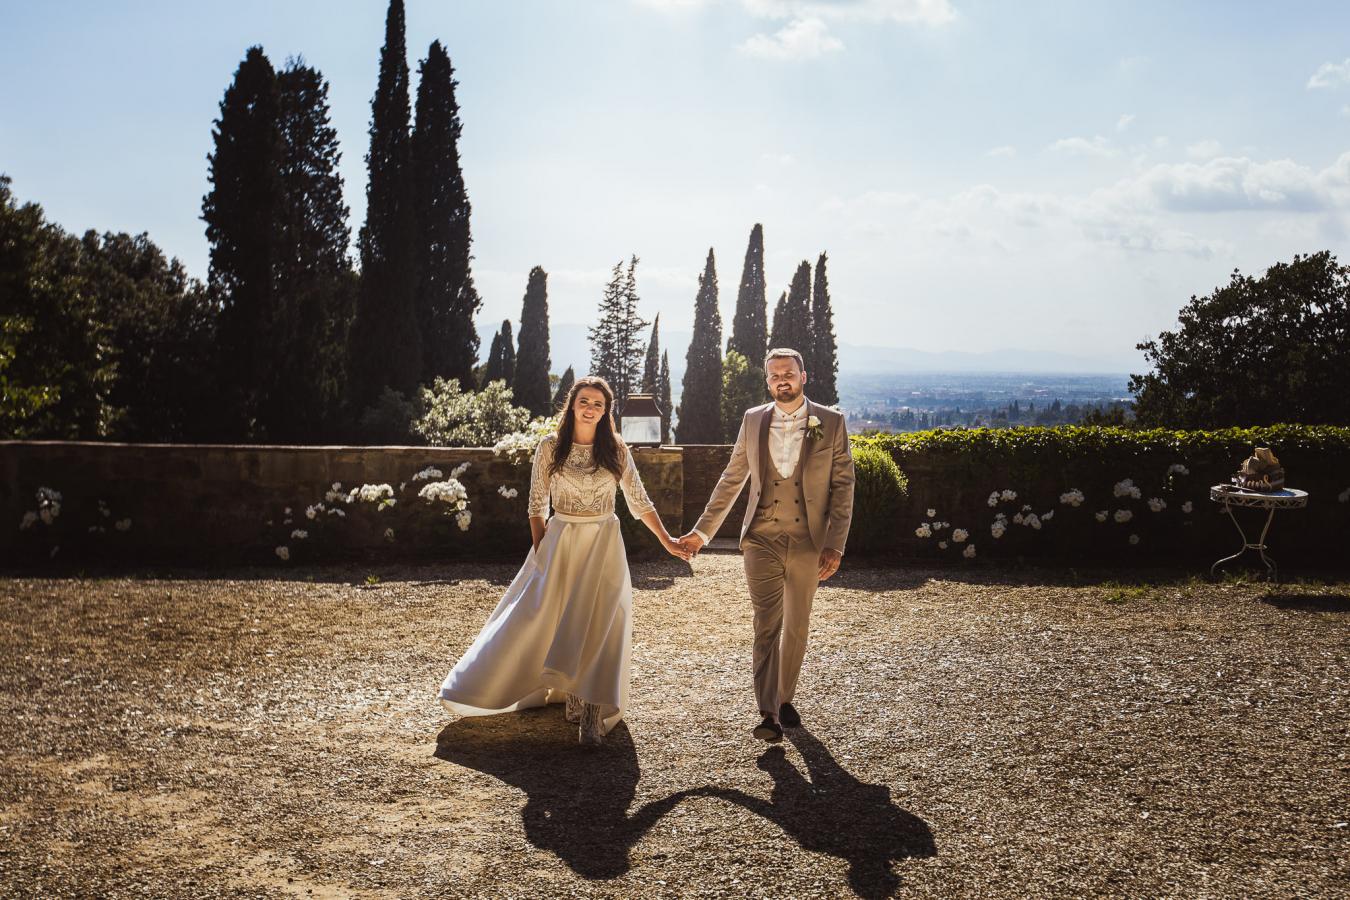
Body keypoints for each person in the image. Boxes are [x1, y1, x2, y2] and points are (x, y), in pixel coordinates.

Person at [439, 376, 691, 745]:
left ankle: (591, 710)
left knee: (602, 622)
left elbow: (639, 502)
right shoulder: (550, 447)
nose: (591, 409)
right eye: (585, 401)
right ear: (572, 404)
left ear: (606, 412)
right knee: (555, 619)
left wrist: (667, 541)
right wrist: (542, 551)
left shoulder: (616, 449)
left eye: (599, 405)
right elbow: (536, 504)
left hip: (604, 541)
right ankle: (570, 693)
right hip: (561, 542)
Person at [680, 348, 855, 743]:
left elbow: (843, 486)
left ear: (803, 376)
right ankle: (769, 713)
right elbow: (731, 479)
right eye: (774, 375)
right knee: (767, 623)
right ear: (767, 380)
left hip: (810, 540)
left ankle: (784, 696)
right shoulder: (753, 420)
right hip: (761, 538)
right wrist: (701, 533)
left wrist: (835, 544)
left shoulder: (830, 421)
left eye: (788, 373)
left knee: (797, 625)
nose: (782, 380)